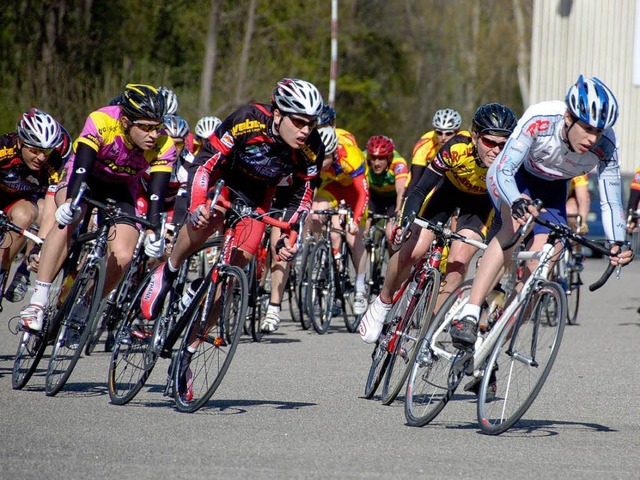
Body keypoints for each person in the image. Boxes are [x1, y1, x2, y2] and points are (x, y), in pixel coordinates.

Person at [449, 75, 633, 352]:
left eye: (599, 130)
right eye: (586, 127)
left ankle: (492, 349)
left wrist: (618, 241)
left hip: (555, 190)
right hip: (516, 177)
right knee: (512, 226)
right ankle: (470, 314)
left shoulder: (606, 144)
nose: (592, 138)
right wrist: (516, 200)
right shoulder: (541, 118)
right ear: (569, 117)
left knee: (538, 275)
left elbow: (611, 201)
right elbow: (503, 169)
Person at [140, 77, 325, 331]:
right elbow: (205, 162)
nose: (306, 130)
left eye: (311, 123)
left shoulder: (312, 146)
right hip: (223, 179)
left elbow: (303, 194)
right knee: (203, 222)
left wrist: (288, 238)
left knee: (234, 271)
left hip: (259, 195)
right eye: (299, 122)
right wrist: (197, 205)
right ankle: (168, 271)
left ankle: (190, 350)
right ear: (278, 114)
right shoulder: (246, 119)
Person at [20, 84, 176, 332]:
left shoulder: (164, 145)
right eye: (145, 127)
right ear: (125, 121)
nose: (153, 134)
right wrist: (71, 201)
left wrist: (153, 232)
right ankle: (37, 302)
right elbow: (81, 166)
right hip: (85, 178)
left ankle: (83, 308)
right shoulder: (102, 120)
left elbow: (157, 193)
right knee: (71, 216)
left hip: (122, 189)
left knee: (124, 254)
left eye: (157, 127)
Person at [359, 103, 518, 344]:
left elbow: (504, 212)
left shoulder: (510, 163)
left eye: (502, 144)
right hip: (446, 195)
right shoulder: (456, 148)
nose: (496, 150)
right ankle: (383, 301)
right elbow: (421, 187)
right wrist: (406, 221)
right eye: (489, 142)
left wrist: (493, 251)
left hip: (479, 207)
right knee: (414, 250)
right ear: (475, 136)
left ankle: (428, 337)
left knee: (458, 262)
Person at [259, 126, 339, 333]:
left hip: (289, 198)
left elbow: (303, 197)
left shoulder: (310, 157)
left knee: (280, 246)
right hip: (265, 192)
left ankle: (273, 307)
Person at [0, 109, 71, 301]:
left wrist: (39, 249)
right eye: (34, 150)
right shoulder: (3, 148)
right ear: (21, 142)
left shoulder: (54, 161)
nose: (41, 157)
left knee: (28, 216)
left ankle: (12, 269)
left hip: (26, 199)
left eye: (46, 151)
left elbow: (50, 212)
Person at [305, 123, 370, 316]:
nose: (320, 161)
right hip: (333, 187)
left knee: (352, 237)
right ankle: (320, 253)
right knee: (316, 212)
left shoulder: (351, 157)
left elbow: (363, 194)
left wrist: (355, 221)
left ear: (334, 153)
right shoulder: (312, 156)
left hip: (354, 191)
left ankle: (360, 288)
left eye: (324, 157)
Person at [363, 135, 409, 240]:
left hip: (392, 199)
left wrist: (398, 211)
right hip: (373, 196)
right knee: (364, 227)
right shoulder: (363, 158)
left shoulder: (398, 163)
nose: (376, 163)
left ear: (388, 158)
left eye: (381, 158)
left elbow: (401, 190)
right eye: (373, 158)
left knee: (391, 233)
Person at [407, 108, 464, 192]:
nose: (443, 138)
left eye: (448, 133)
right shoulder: (425, 143)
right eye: (439, 133)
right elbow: (415, 178)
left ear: (457, 131)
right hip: (425, 178)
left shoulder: (463, 144)